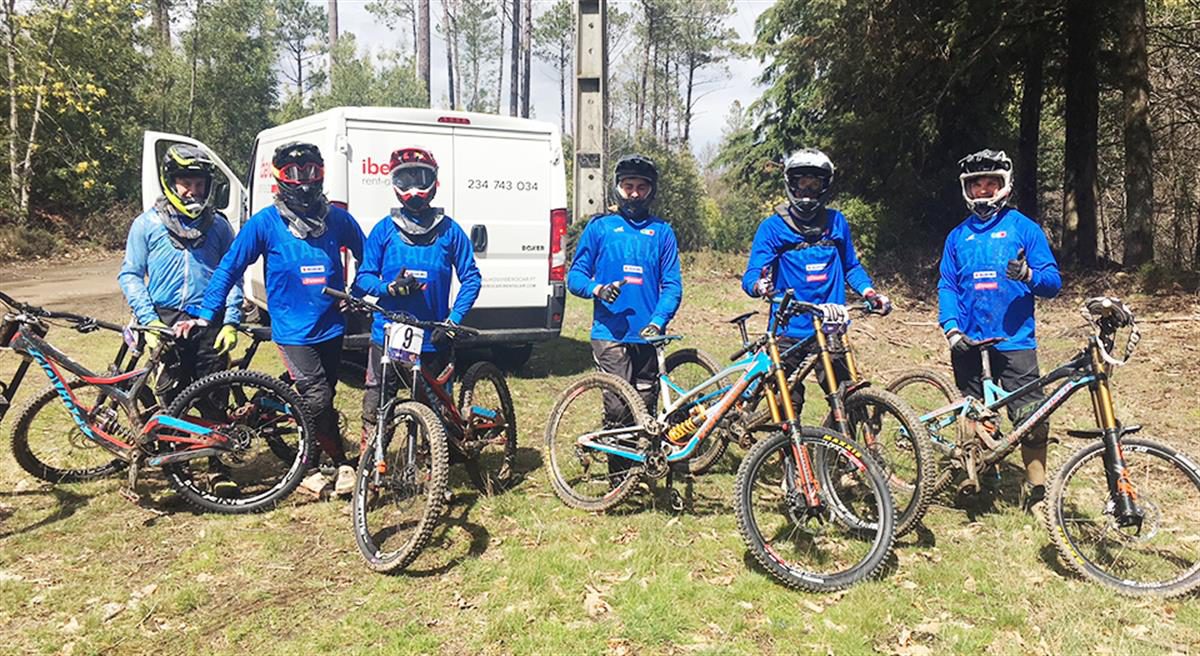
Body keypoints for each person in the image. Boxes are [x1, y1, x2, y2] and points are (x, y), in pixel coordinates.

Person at [179, 142, 366, 498]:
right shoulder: (265, 222)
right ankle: (316, 465)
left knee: (325, 395)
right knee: (317, 396)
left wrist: (357, 292)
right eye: (295, 173)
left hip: (331, 326)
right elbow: (230, 267)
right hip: (292, 330)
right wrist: (207, 314)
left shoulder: (338, 219)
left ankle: (331, 461)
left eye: (311, 171)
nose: (304, 180)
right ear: (280, 178)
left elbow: (368, 255)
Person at [937, 148, 1062, 512]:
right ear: (967, 189)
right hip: (969, 341)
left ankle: (1036, 491)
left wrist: (1029, 275)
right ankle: (981, 477)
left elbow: (1053, 283)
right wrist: (951, 329)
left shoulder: (1025, 229)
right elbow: (947, 286)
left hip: (1015, 341)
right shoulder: (957, 237)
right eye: (976, 185)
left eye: (990, 183)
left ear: (1004, 185)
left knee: (1032, 419)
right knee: (975, 415)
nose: (983, 190)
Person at [118, 144, 243, 495]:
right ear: (170, 182)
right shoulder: (147, 224)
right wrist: (149, 320)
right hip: (164, 318)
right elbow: (130, 274)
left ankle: (217, 465)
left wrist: (231, 320)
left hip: (209, 318)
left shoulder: (219, 226)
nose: (193, 191)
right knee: (172, 393)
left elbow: (232, 274)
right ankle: (179, 463)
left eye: (200, 184)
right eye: (186, 183)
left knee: (214, 393)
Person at [741, 148, 892, 410]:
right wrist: (759, 285)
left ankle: (842, 437)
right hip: (789, 331)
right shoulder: (772, 227)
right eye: (802, 183)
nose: (808, 191)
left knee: (846, 401)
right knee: (786, 406)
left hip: (830, 328)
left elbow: (851, 267)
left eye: (815, 184)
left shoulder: (837, 222)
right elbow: (752, 274)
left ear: (825, 187)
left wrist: (869, 292)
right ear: (791, 184)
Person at [353, 147, 482, 448]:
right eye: (405, 180)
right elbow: (364, 277)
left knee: (438, 413)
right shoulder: (384, 230)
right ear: (394, 184)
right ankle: (371, 463)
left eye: (420, 179)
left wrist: (453, 321)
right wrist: (387, 288)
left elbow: (472, 278)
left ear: (434, 182)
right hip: (387, 335)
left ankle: (436, 460)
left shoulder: (450, 231)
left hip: (433, 336)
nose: (413, 189)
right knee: (376, 404)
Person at [567, 154, 683, 478]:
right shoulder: (600, 228)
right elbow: (575, 276)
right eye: (628, 186)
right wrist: (597, 289)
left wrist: (658, 321)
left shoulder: (662, 232)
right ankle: (617, 479)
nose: (634, 193)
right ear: (617, 188)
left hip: (648, 335)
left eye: (641, 187)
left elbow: (672, 285)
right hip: (610, 334)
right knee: (618, 407)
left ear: (651, 191)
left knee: (645, 407)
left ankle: (639, 472)